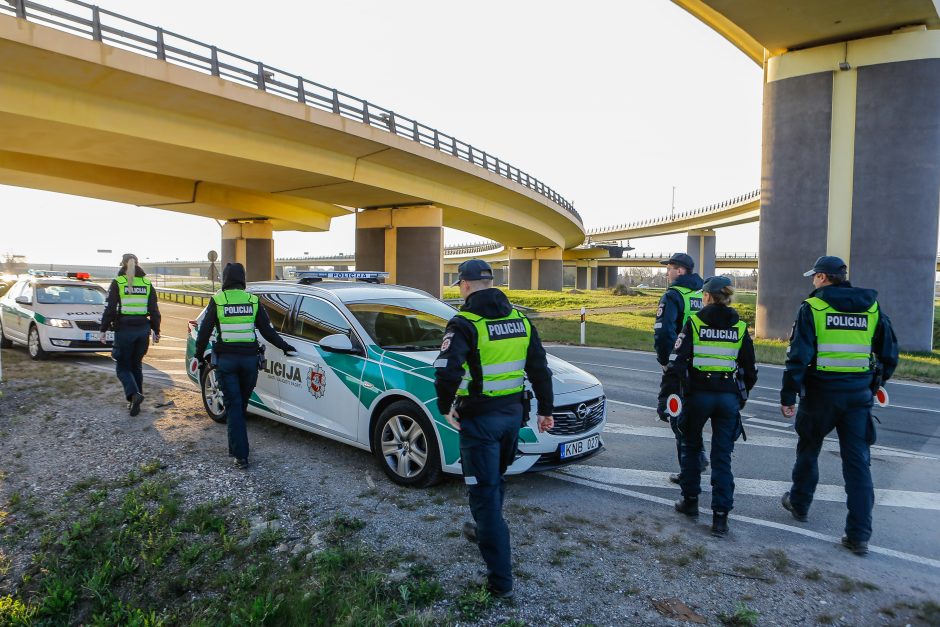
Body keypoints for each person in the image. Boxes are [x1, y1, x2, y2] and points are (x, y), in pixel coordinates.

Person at [434, 259, 554, 599]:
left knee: (484, 495)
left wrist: (444, 407)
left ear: (466, 284)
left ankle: (500, 582)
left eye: (459, 285)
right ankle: (484, 530)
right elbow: (540, 368)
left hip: (480, 421)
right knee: (494, 481)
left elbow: (447, 372)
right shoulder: (520, 319)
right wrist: (546, 410)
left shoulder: (465, 323)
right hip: (512, 417)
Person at [779, 256, 898, 556]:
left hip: (820, 394)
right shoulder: (871, 307)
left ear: (822, 278)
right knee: (858, 463)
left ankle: (800, 503)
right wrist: (876, 383)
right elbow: (889, 352)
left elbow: (798, 356)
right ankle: (858, 535)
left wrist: (788, 395)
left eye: (814, 277)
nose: (812, 282)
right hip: (858, 397)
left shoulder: (814, 308)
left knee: (808, 450)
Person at [661, 276, 757, 536]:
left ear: (707, 296)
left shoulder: (695, 322)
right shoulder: (739, 327)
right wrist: (741, 397)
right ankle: (720, 518)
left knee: (691, 448)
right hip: (727, 399)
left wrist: (666, 399)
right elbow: (750, 369)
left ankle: (690, 503)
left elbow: (676, 364)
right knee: (722, 457)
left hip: (698, 396)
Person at [193, 262, 297, 469]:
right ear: (242, 279)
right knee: (240, 404)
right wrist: (285, 346)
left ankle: (240, 455)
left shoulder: (218, 300)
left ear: (225, 279)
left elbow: (204, 332)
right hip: (249, 362)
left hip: (227, 361)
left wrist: (198, 355)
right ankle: (239, 448)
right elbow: (267, 331)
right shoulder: (253, 300)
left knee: (234, 407)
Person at [653, 252, 708, 483]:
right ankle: (699, 456)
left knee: (677, 418)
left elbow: (664, 332)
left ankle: (689, 471)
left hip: (679, 366)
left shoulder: (673, 295)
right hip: (703, 366)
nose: (667, 272)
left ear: (680, 271)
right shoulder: (702, 294)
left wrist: (665, 362)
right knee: (692, 415)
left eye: (669, 268)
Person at [100, 253, 161, 417]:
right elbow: (154, 310)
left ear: (122, 264)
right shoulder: (147, 283)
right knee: (136, 365)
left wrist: (103, 329)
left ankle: (134, 395)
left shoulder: (118, 282)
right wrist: (156, 330)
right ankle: (136, 402)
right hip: (143, 330)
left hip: (125, 330)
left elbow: (110, 309)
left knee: (122, 366)